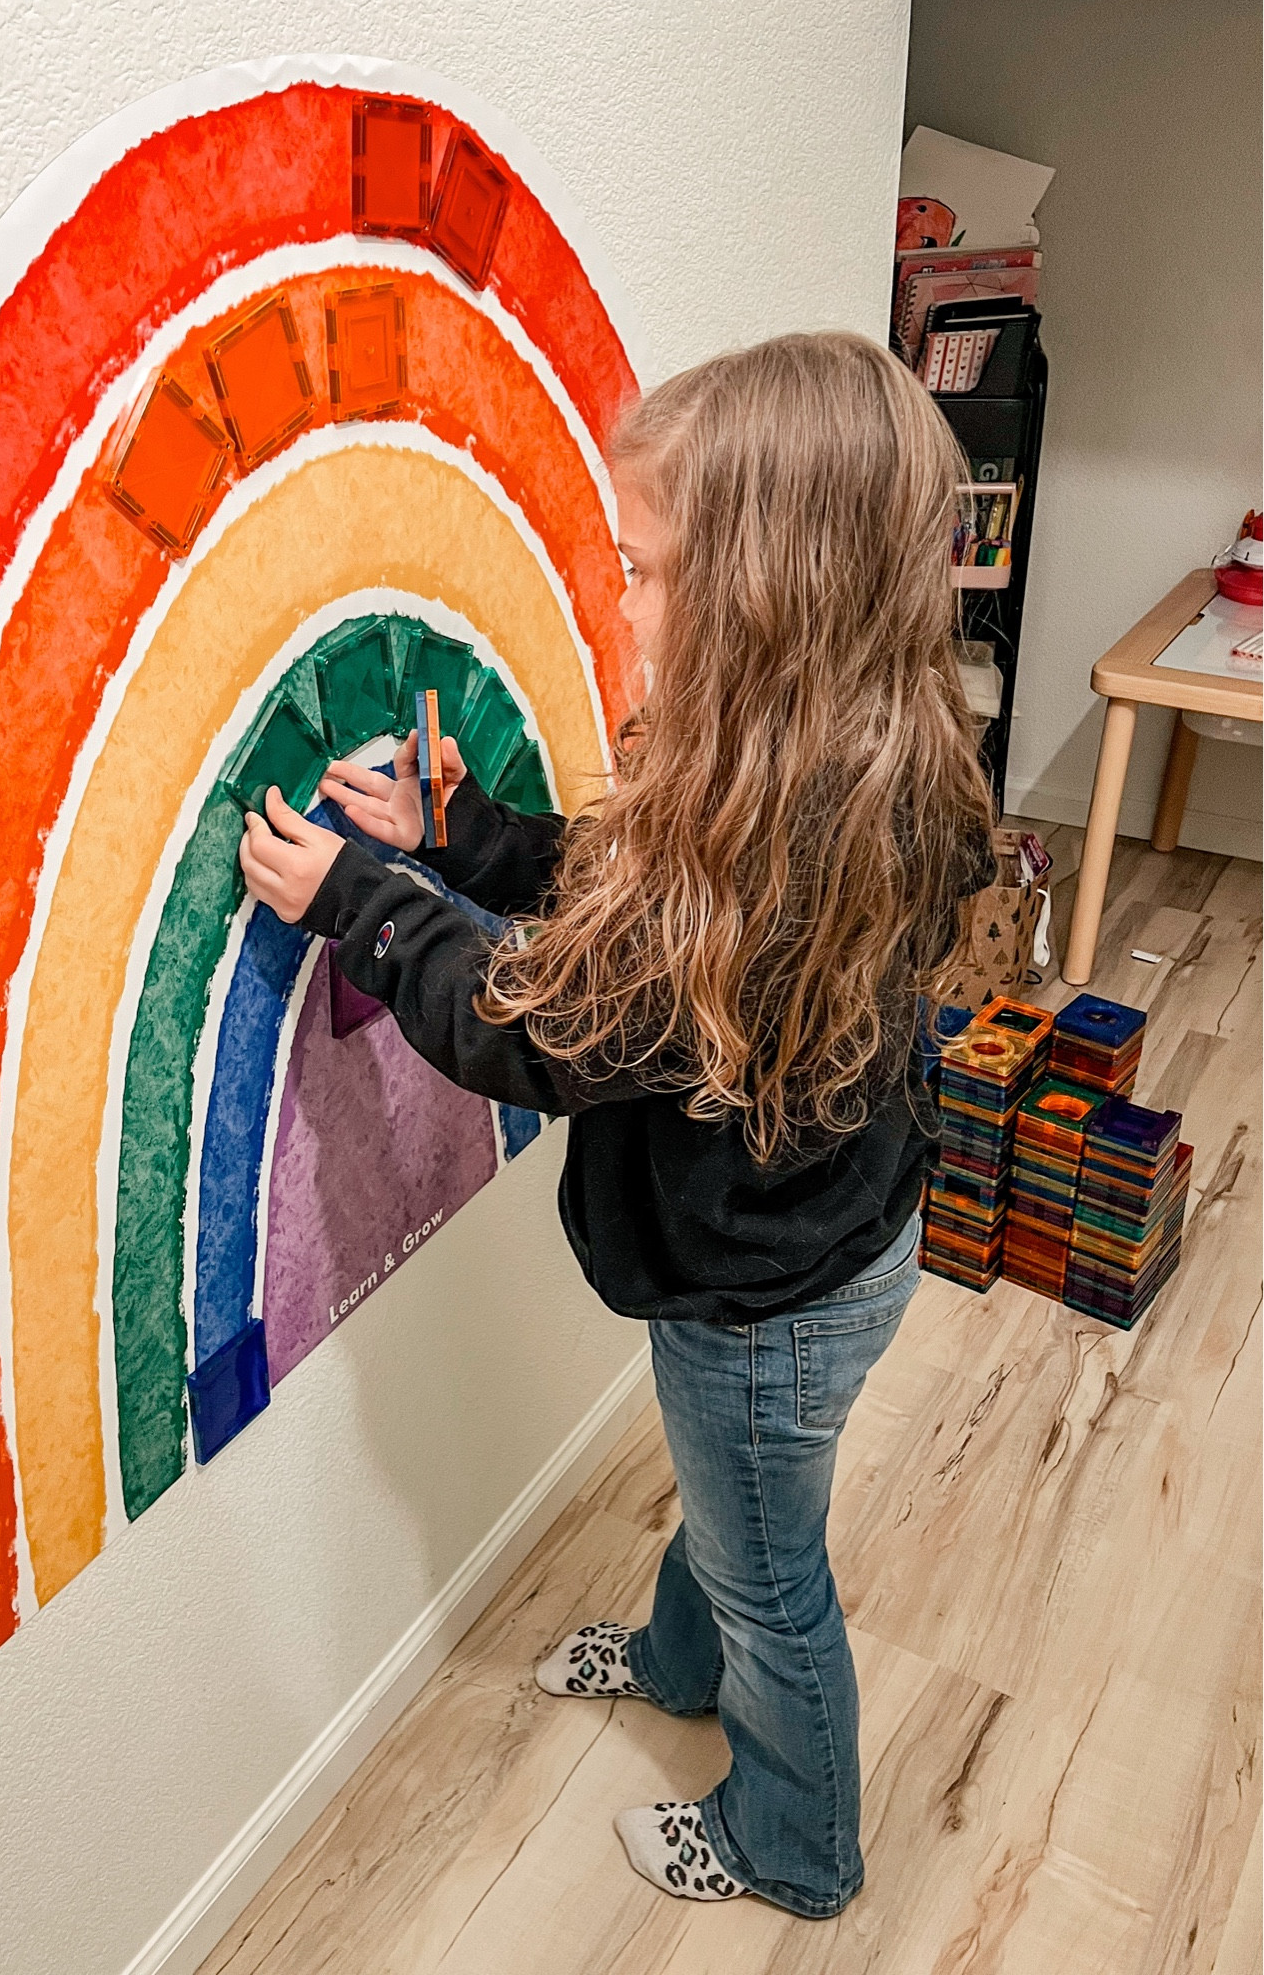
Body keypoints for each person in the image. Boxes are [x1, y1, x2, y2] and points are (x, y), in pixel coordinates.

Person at [237, 331, 996, 1921]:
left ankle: (795, 1842)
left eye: (642, 571)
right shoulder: (860, 766)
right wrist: (471, 833)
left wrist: (364, 898)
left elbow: (541, 1022)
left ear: (759, 601)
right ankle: (672, 1658)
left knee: (767, 1564)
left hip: (759, 1298)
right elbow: (631, 918)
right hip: (835, 1248)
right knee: (737, 1504)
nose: (621, 601)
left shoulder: (754, 849)